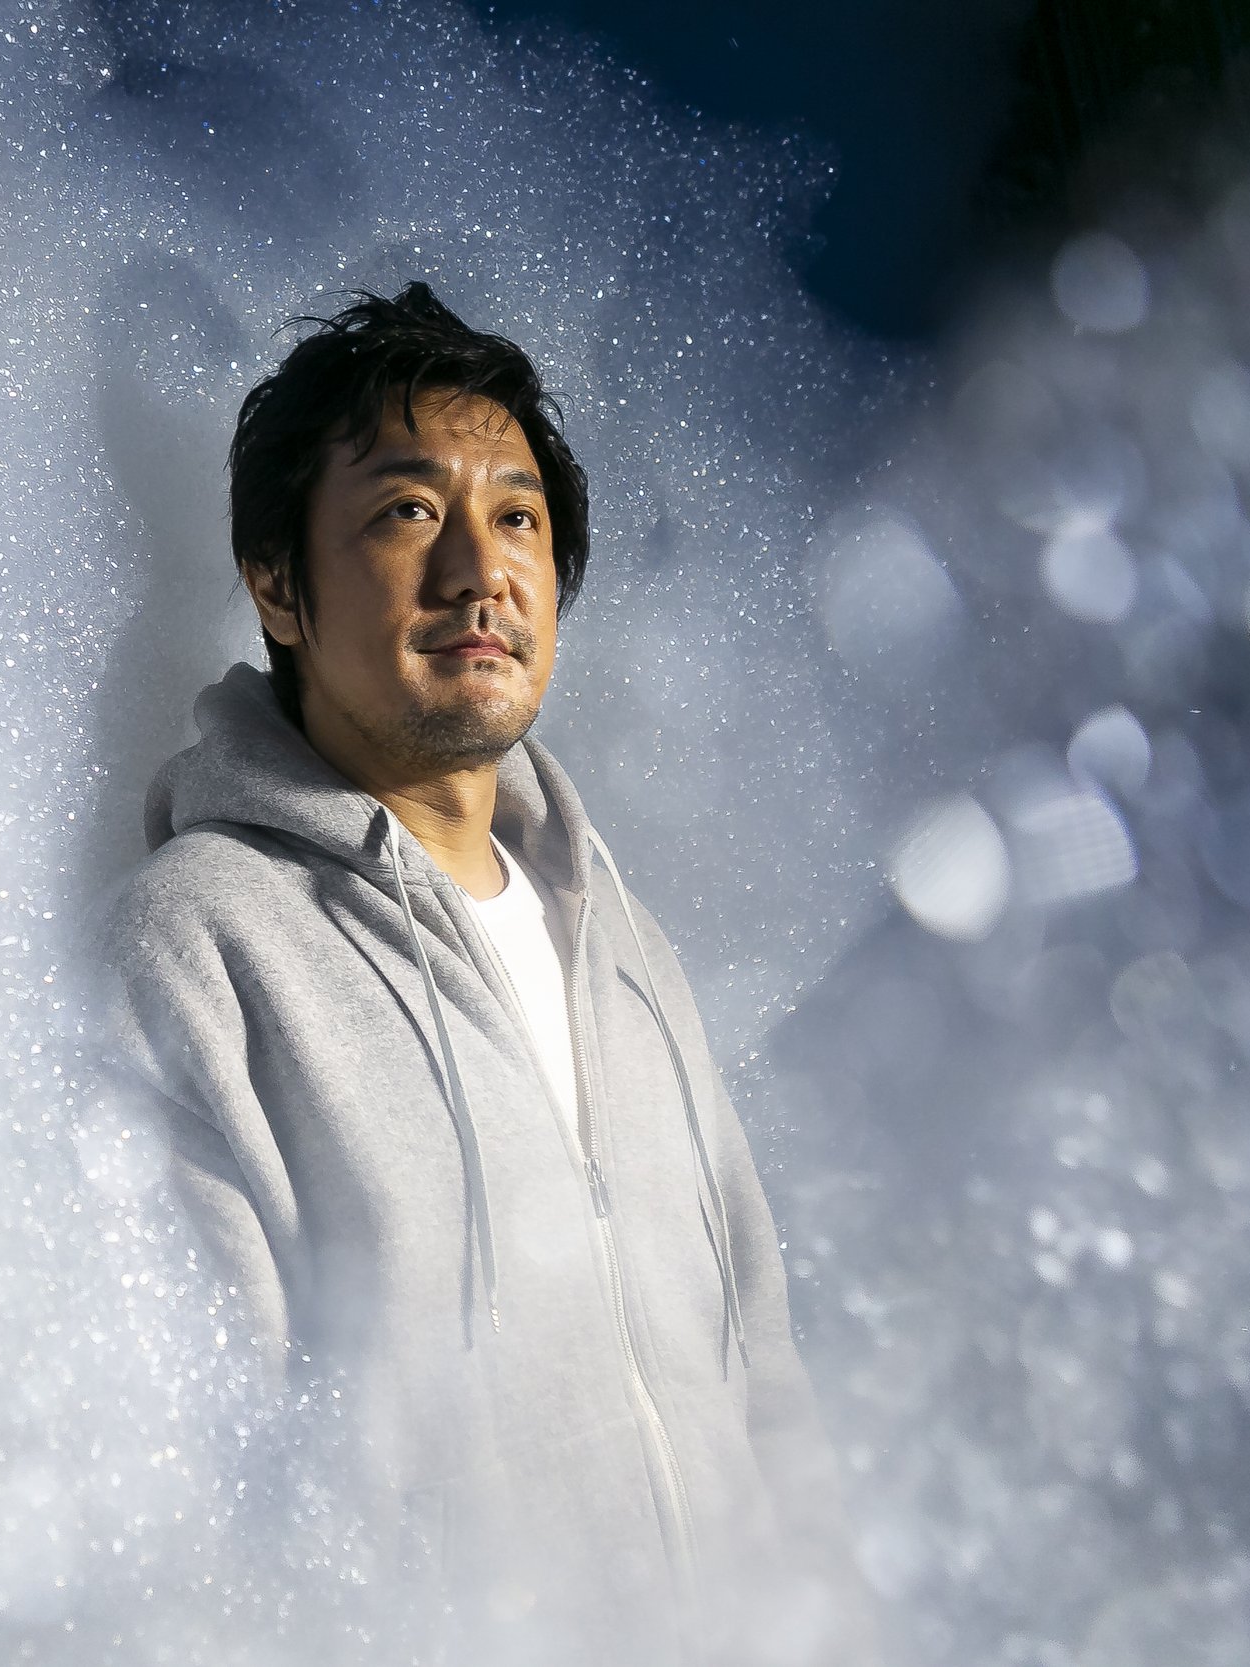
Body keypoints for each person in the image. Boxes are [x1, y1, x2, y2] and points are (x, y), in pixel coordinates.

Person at [93, 283, 878, 1665]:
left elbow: (761, 1370)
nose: (480, 572)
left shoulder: (625, 950)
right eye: (407, 512)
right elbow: (197, 1468)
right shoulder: (201, 942)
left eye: (515, 517)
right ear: (278, 584)